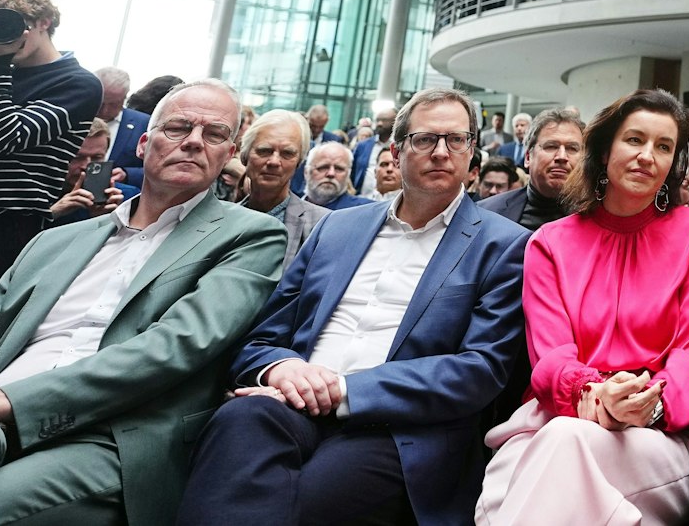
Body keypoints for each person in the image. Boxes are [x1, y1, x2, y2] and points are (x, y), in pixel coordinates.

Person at [176, 89, 530, 526]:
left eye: (456, 140)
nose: (441, 152)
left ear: (471, 151)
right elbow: (264, 336)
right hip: (290, 401)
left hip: (398, 427)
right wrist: (282, 369)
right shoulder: (336, 228)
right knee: (239, 422)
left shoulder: (503, 244)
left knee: (311, 500)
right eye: (425, 139)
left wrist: (345, 390)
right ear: (396, 151)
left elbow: (480, 369)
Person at [0, 79, 286, 526]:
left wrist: (10, 401)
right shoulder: (54, 241)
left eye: (213, 134)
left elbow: (177, 345)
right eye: (178, 127)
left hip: (111, 436)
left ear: (229, 155)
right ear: (143, 144)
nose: (194, 141)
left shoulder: (251, 235)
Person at [475, 91, 689, 526]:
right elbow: (551, 358)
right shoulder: (549, 243)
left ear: (673, 164)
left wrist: (645, 405)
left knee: (535, 476)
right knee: (558, 446)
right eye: (635, 140)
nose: (647, 156)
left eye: (664, 147)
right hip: (557, 415)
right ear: (605, 150)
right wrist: (594, 394)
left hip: (655, 433)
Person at [0, 0, 104, 275]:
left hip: (11, 223)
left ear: (44, 22)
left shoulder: (78, 83)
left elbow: (5, 137)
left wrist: (0, 64)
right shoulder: (3, 74)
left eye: (13, 24)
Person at [237, 108, 329, 265]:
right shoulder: (218, 219)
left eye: (287, 153)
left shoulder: (322, 225)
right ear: (244, 157)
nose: (274, 162)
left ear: (299, 162)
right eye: (264, 151)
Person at [484, 107, 587, 232]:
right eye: (551, 146)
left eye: (572, 148)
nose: (562, 156)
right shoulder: (487, 213)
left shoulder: (597, 220)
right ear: (528, 157)